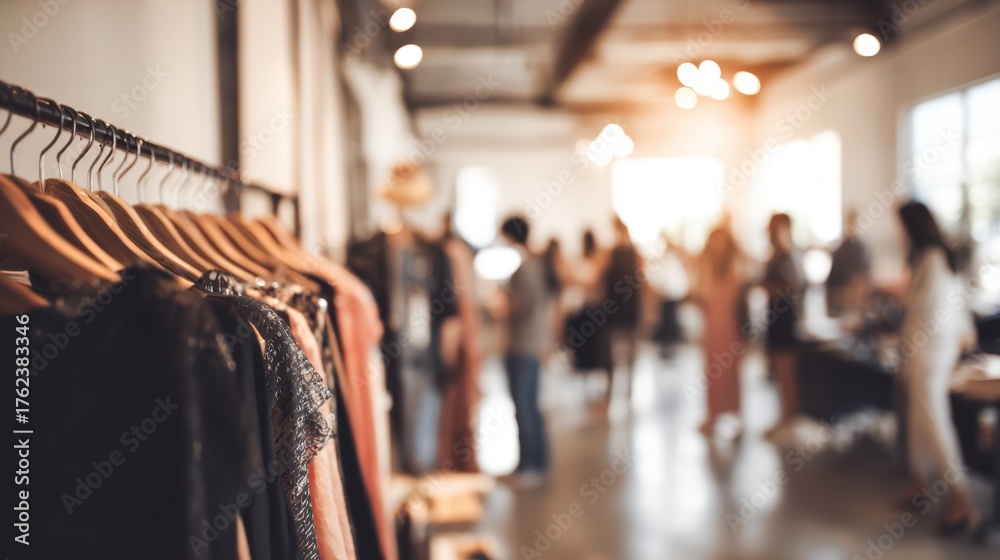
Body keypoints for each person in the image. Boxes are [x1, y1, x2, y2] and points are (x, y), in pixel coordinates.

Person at [895, 201, 979, 535]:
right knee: (919, 418)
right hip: (928, 349)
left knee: (934, 421)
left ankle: (962, 499)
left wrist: (899, 294)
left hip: (929, 351)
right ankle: (922, 482)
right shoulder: (937, 256)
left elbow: (924, 308)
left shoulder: (931, 257)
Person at [501, 216, 551, 487]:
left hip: (523, 344)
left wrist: (498, 305)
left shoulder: (525, 268)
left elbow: (519, 305)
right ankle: (531, 463)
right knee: (529, 405)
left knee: (524, 407)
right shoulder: (536, 264)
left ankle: (531, 466)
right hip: (531, 343)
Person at [693, 226, 745, 437]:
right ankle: (713, 414)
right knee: (712, 371)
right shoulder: (707, 267)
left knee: (731, 373)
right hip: (712, 327)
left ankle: (735, 414)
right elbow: (700, 295)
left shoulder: (735, 265)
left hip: (730, 328)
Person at [763, 213, 804, 437]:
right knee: (779, 371)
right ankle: (784, 415)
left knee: (787, 372)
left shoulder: (788, 255)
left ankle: (789, 417)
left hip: (786, 319)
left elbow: (793, 285)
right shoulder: (776, 255)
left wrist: (768, 289)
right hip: (775, 319)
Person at [602, 217, 643, 404]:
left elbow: (644, 283)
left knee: (627, 353)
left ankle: (628, 392)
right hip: (616, 310)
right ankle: (615, 391)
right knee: (614, 354)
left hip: (627, 309)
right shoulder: (611, 253)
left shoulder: (632, 254)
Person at [826, 209, 871, 318]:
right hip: (839, 306)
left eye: (854, 224)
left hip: (856, 308)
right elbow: (830, 283)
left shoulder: (861, 251)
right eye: (850, 224)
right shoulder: (839, 251)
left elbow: (864, 281)